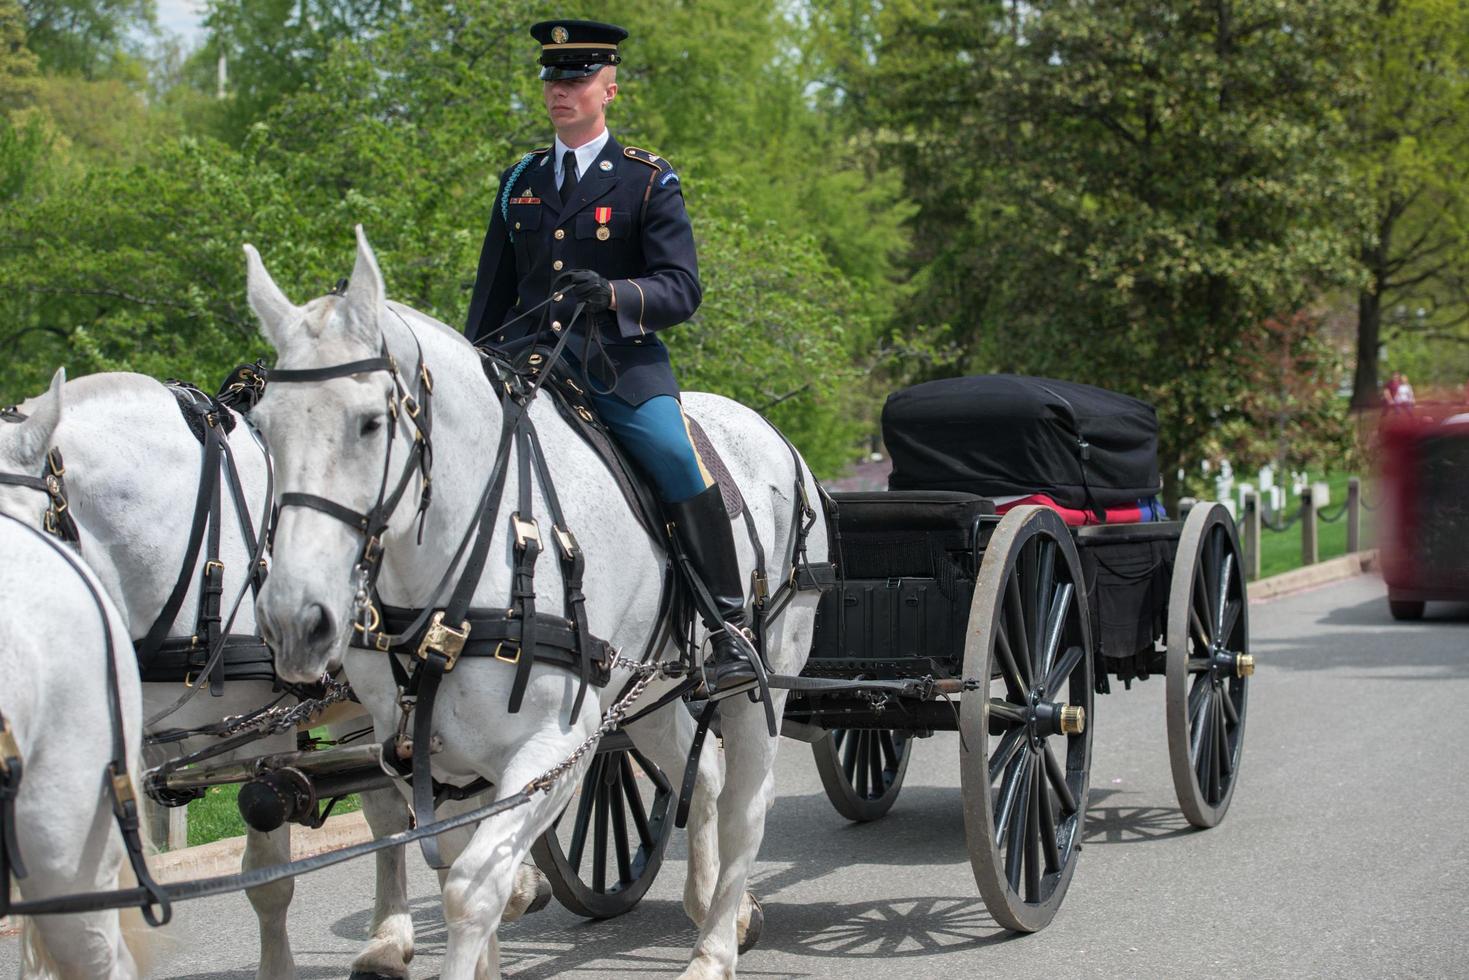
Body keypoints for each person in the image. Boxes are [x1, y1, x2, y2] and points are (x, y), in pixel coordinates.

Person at [464, 19, 755, 692]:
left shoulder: (646, 181)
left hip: (617, 363)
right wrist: (475, 363)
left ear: (609, 90)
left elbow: (681, 289)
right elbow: (490, 298)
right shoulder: (521, 182)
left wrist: (616, 292)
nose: (559, 92)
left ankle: (727, 627)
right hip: (528, 360)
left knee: (675, 453)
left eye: (575, 80)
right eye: (551, 79)